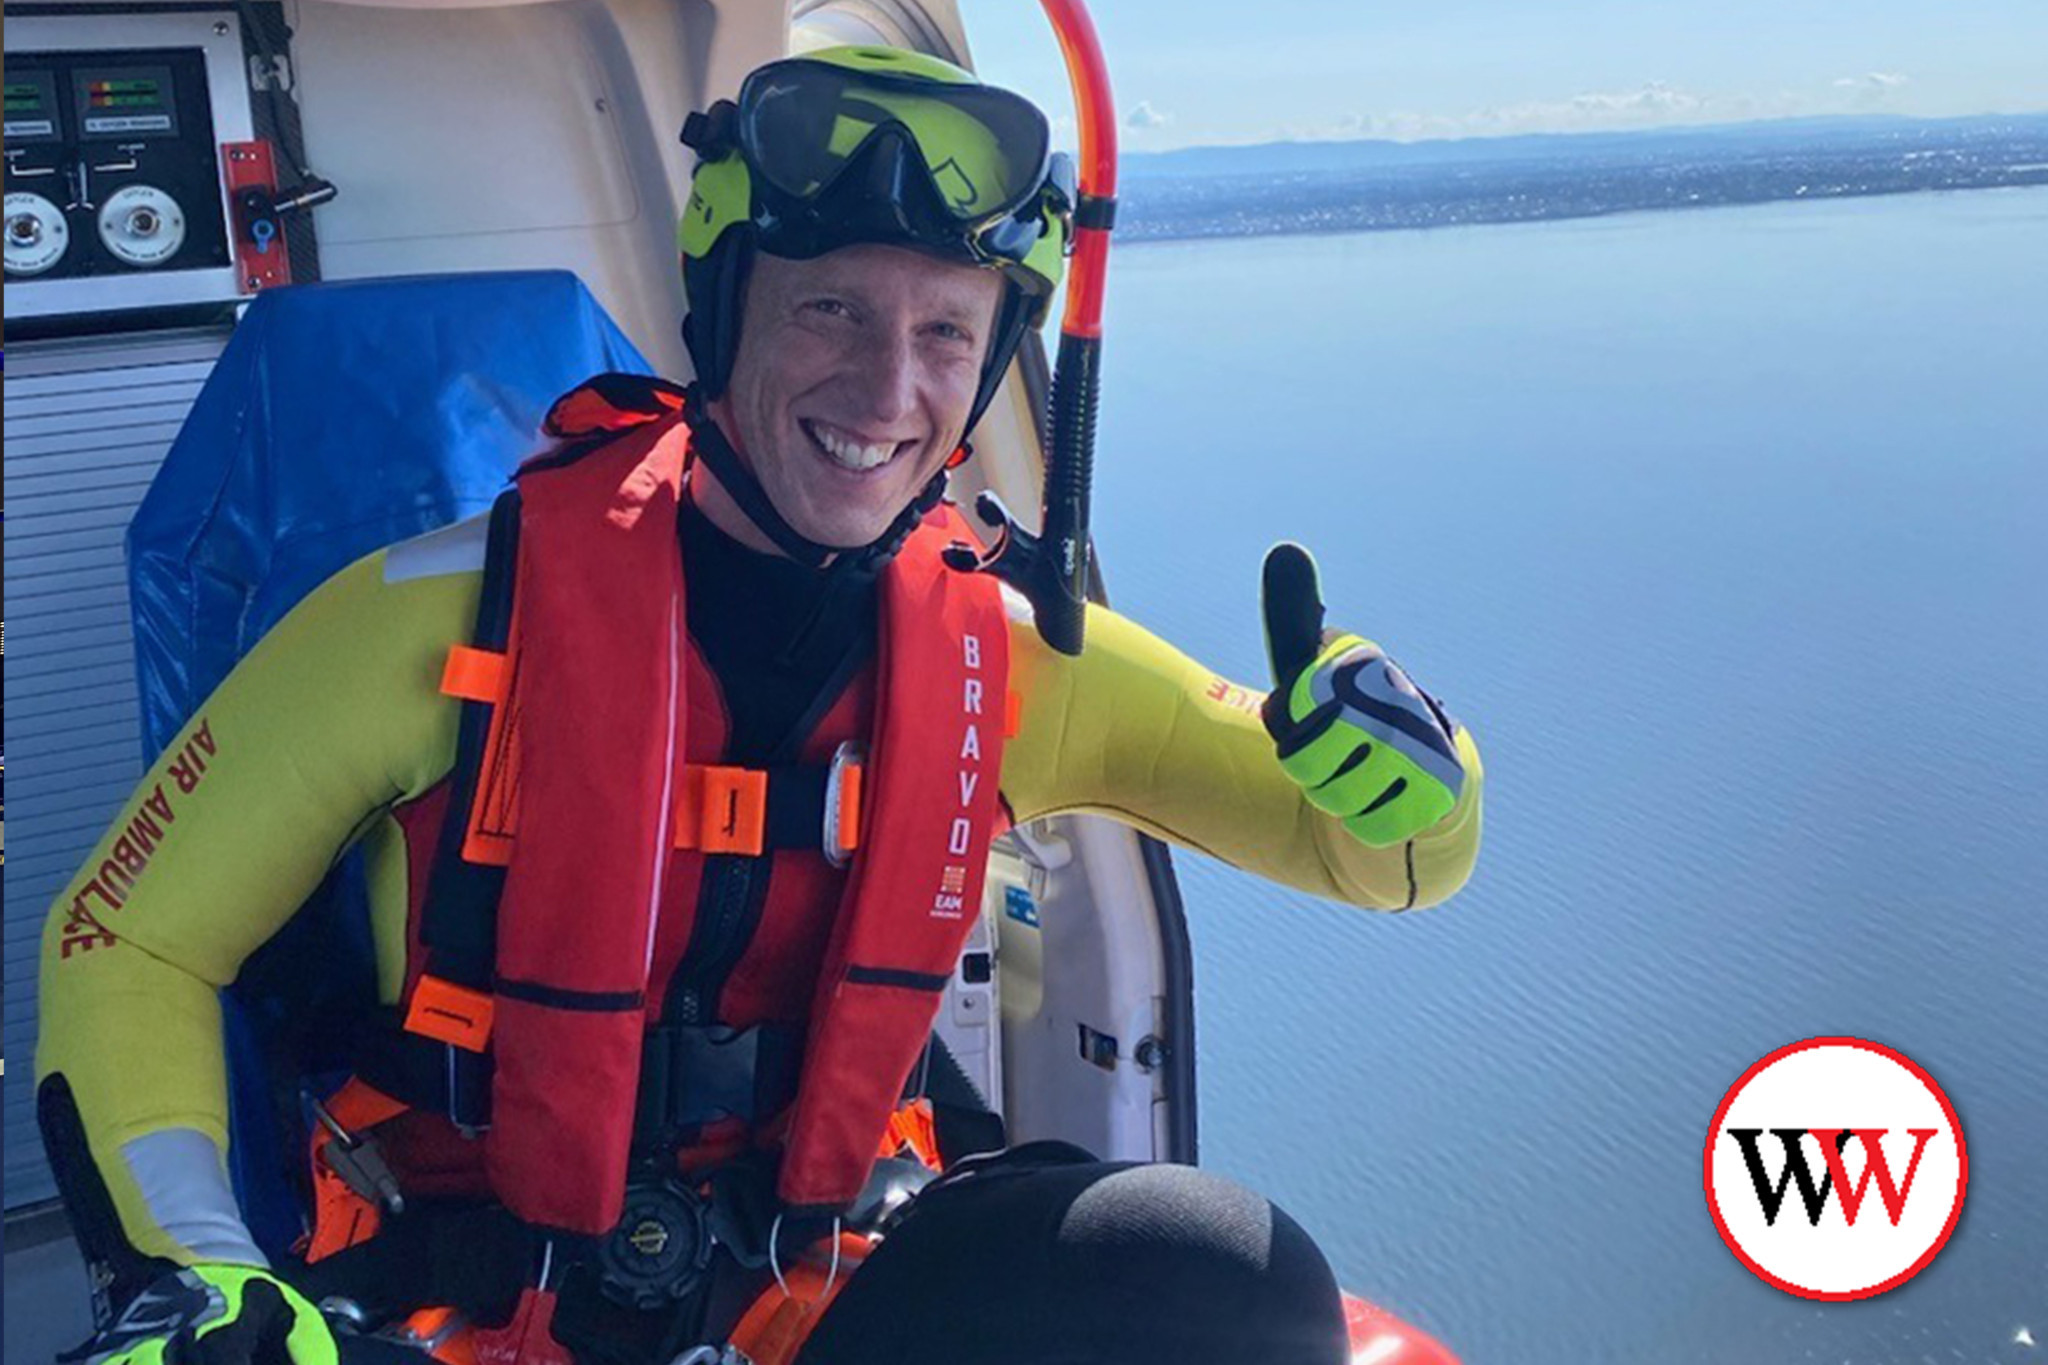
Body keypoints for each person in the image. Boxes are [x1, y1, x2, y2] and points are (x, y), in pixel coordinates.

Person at [37, 45, 1483, 1365]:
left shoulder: (1012, 653)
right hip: (453, 1303)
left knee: (1241, 1283)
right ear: (728, 313)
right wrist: (200, 1273)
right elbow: (125, 935)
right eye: (833, 308)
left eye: (944, 332)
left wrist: (1413, 763)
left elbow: (1384, 859)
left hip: (840, 1283)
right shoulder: (429, 615)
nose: (886, 383)